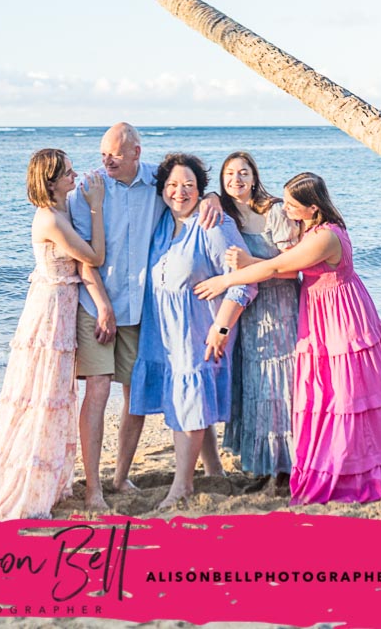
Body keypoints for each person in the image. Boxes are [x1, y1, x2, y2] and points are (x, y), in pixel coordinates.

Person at [196, 171, 381, 505]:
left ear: (312, 206)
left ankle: (357, 470)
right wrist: (214, 198)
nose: (286, 209)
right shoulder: (311, 229)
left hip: (341, 317)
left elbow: (277, 269)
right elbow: (289, 267)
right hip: (319, 314)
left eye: (293, 205)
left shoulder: (326, 237)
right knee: (325, 396)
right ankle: (333, 463)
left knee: (348, 397)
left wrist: (225, 281)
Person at [66, 123, 223, 510]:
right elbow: (82, 260)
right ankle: (93, 489)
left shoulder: (158, 178)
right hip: (96, 305)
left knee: (135, 399)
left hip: (140, 311)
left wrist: (212, 197)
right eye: (103, 153)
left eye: (115, 155)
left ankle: (120, 478)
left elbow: (186, 185)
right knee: (98, 390)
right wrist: (103, 306)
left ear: (136, 152)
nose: (106, 161)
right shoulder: (88, 189)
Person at [0, 148, 107, 520]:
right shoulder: (49, 218)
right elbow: (94, 257)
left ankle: (47, 481)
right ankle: (23, 486)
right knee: (40, 395)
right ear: (50, 181)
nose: (74, 174)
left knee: (56, 396)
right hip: (50, 311)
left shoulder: (62, 210)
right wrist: (96, 207)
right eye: (67, 172)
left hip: (62, 306)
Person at [130, 153, 257, 508]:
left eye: (188, 185)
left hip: (200, 330)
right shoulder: (161, 226)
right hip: (164, 334)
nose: (179, 192)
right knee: (188, 400)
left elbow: (243, 284)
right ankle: (213, 470)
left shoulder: (213, 225)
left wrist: (221, 327)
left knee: (189, 403)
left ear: (200, 190)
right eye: (172, 185)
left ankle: (182, 486)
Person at [218, 151, 299, 487]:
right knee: (254, 386)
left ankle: (287, 467)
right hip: (246, 316)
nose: (236, 180)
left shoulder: (274, 212)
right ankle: (263, 467)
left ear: (255, 177)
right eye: (230, 174)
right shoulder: (225, 217)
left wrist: (251, 262)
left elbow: (294, 269)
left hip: (279, 310)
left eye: (243, 173)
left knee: (279, 387)